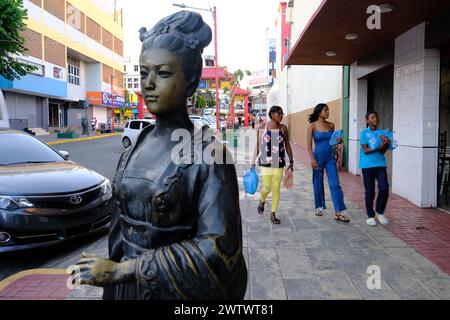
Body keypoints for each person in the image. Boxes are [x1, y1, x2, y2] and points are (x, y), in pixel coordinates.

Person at [72, 11, 247, 300]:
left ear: (191, 82)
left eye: (163, 73)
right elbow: (119, 226)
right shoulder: (136, 144)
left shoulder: (211, 156)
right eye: (143, 73)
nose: (148, 84)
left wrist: (125, 271)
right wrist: (115, 274)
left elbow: (218, 249)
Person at [307, 103, 350, 222]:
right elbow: (308, 145)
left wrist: (339, 141)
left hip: (331, 157)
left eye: (328, 110)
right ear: (319, 112)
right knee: (317, 182)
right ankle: (319, 206)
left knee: (335, 183)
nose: (328, 112)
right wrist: (312, 159)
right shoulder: (312, 126)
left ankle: (338, 211)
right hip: (318, 157)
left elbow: (335, 142)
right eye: (326, 110)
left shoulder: (331, 125)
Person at [253, 105, 293, 224]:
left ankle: (273, 214)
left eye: (282, 113)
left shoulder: (283, 129)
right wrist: (252, 162)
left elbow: (287, 145)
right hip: (265, 162)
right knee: (267, 187)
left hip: (279, 162)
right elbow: (258, 145)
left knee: (276, 188)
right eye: (279, 113)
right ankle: (262, 200)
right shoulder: (262, 127)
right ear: (271, 114)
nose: (281, 115)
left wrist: (291, 161)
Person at [360, 111, 390, 226]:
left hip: (380, 164)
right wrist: (380, 146)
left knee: (384, 188)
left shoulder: (381, 133)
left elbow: (382, 151)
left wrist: (386, 144)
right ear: (367, 120)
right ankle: (370, 215)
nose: (375, 119)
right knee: (370, 191)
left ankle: (379, 212)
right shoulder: (364, 133)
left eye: (376, 117)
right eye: (372, 117)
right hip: (367, 165)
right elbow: (366, 150)